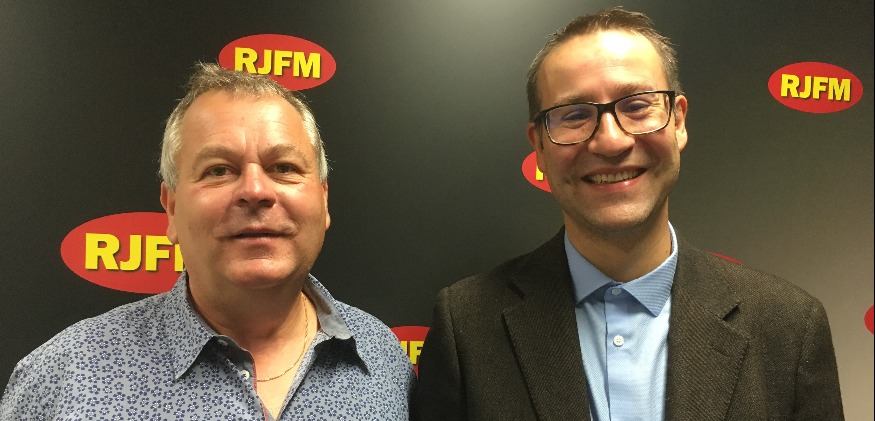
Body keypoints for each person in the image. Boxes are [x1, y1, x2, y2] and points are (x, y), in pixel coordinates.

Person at [412, 8, 843, 420]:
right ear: (538, 146)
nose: (611, 141)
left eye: (636, 106)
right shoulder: (466, 327)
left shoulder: (789, 329)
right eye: (574, 115)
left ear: (678, 121)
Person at [1, 63, 414, 420]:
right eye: (219, 170)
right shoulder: (63, 378)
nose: (255, 191)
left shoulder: (384, 359)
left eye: (284, 167)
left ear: (323, 201)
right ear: (171, 208)